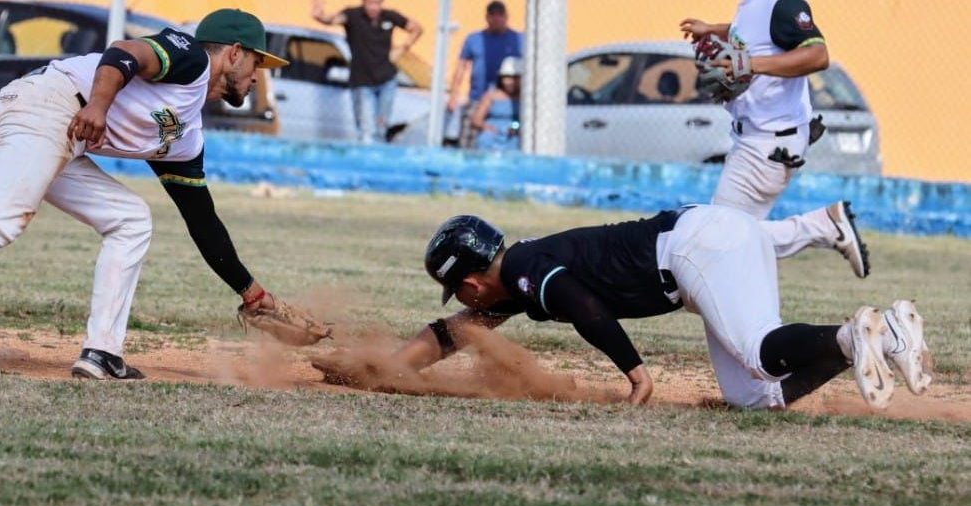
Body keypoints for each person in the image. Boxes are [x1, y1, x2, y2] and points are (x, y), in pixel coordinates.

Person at [0, 9, 322, 380]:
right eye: (257, 61)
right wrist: (100, 106)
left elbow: (203, 221)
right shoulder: (190, 57)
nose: (258, 75)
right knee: (1, 218)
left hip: (60, 132)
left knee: (131, 219)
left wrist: (252, 294)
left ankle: (102, 352)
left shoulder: (185, 135)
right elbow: (123, 53)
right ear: (233, 52)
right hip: (45, 106)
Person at [315, 207, 933, 410]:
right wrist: (382, 371)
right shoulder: (518, 275)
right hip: (707, 239)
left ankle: (861, 334)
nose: (466, 302)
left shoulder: (527, 271)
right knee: (755, 396)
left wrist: (636, 373)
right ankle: (879, 339)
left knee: (757, 350)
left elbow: (583, 305)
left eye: (460, 289)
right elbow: (451, 333)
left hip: (694, 251)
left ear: (473, 280)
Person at [680, 1, 870, 278]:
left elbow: (817, 55)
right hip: (760, 139)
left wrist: (750, 65)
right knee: (725, 244)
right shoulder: (752, 6)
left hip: (768, 142)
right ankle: (822, 228)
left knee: (719, 238)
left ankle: (823, 228)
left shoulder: (782, 4)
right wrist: (712, 29)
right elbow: (752, 35)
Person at [311, 0, 423, 144]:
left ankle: (377, 156)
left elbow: (416, 28)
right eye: (370, 3)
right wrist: (320, 14)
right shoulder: (352, 15)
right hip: (363, 84)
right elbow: (332, 20)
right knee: (367, 131)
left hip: (386, 82)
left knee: (381, 129)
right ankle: (367, 155)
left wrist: (403, 48)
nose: (373, 7)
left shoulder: (390, 17)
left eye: (377, 3)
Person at [445, 1, 523, 147]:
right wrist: (453, 95)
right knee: (469, 140)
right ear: (487, 18)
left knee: (511, 138)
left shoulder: (519, 40)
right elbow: (461, 66)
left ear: (506, 17)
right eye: (493, 16)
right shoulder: (474, 39)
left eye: (500, 16)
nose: (496, 19)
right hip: (477, 98)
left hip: (509, 101)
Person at [468, 56, 522, 152]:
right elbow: (476, 120)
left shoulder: (525, 99)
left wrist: (516, 127)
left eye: (514, 78)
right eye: (506, 77)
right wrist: (489, 128)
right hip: (491, 138)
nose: (510, 82)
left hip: (514, 138)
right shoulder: (491, 96)